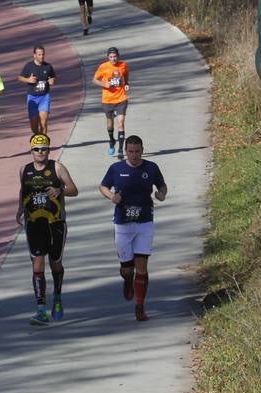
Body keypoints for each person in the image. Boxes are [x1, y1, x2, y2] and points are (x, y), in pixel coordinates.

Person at [99, 134, 167, 321]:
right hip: (123, 224)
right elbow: (103, 186)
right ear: (125, 151)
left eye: (137, 151)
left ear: (142, 151)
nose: (134, 155)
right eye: (131, 151)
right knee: (127, 269)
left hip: (145, 222)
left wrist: (161, 194)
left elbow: (162, 186)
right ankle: (128, 280)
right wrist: (111, 196)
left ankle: (140, 306)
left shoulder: (151, 168)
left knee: (142, 266)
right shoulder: (116, 168)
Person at [16, 133, 78, 325]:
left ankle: (57, 297)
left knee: (55, 263)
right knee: (37, 263)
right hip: (34, 223)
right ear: (31, 151)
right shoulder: (24, 170)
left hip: (56, 223)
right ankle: (41, 309)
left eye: (44, 149)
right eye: (36, 149)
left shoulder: (57, 168)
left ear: (49, 150)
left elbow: (73, 190)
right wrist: (20, 209)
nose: (40, 152)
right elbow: (23, 191)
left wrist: (60, 190)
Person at [93, 47, 130, 159]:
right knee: (110, 123)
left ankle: (120, 150)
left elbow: (126, 74)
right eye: (111, 57)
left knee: (120, 123)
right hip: (107, 100)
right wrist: (104, 84)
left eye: (115, 57)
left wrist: (126, 83)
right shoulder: (103, 67)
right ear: (108, 57)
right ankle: (111, 140)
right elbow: (94, 80)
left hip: (121, 98)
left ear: (118, 56)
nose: (113, 59)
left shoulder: (123, 65)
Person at [18, 45, 57, 135]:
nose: (42, 56)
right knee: (34, 126)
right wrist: (28, 80)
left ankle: (43, 141)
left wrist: (52, 80)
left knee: (44, 121)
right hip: (32, 97)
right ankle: (38, 137)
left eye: (43, 54)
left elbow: (53, 77)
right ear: (34, 55)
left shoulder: (48, 66)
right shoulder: (29, 66)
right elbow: (20, 78)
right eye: (39, 54)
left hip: (44, 96)